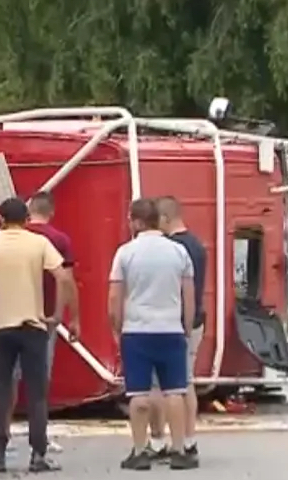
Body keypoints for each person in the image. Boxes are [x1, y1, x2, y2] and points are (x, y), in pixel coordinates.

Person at [0, 197, 74, 473]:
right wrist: (55, 314)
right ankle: (38, 455)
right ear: (26, 218)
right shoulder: (39, 244)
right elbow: (63, 278)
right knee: (37, 393)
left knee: (0, 390)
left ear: (1, 219)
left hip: (0, 327)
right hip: (33, 326)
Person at [108, 198, 196, 471]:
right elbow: (189, 296)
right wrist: (186, 327)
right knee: (175, 391)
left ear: (135, 221)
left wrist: (116, 327)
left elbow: (114, 297)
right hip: (171, 329)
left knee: (139, 394)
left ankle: (139, 451)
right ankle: (180, 449)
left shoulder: (125, 253)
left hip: (137, 331)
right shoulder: (179, 253)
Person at [1, 191, 79, 454]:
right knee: (39, 379)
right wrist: (66, 316)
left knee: (8, 377)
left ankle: (4, 431)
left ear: (28, 210)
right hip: (42, 317)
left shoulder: (6, 239)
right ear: (52, 211)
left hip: (8, 314)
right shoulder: (58, 240)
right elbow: (66, 281)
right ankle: (40, 438)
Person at [143, 196, 205, 465]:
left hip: (170, 323)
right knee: (186, 382)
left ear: (165, 219)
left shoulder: (171, 249)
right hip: (195, 321)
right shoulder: (197, 246)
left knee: (161, 385)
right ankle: (189, 438)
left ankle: (159, 440)